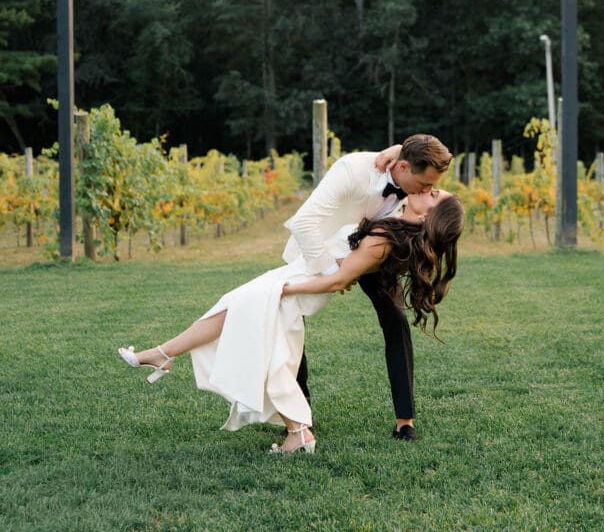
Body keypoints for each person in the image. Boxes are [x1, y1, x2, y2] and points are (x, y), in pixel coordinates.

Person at [118, 190, 464, 454]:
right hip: (301, 274)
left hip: (304, 281)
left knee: (268, 343)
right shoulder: (396, 216)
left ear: (432, 214)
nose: (429, 189)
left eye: (436, 195)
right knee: (238, 312)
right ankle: (164, 354)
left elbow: (338, 280)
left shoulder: (388, 239)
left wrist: (289, 289)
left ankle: (302, 431)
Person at [285, 133, 452, 441]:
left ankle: (405, 420)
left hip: (376, 252)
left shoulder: (411, 172)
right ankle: (299, 414)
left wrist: (399, 146)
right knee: (291, 320)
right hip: (323, 249)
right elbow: (303, 222)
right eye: (425, 185)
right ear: (402, 167)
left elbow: (422, 155)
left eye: (432, 186)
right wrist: (333, 271)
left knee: (396, 319)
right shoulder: (352, 170)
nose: (429, 191)